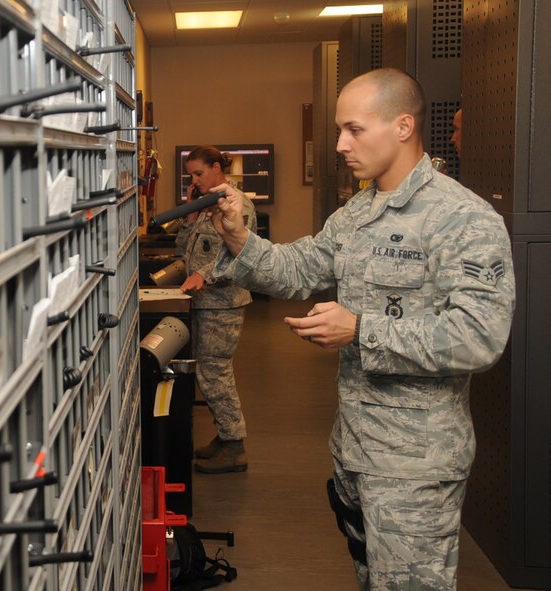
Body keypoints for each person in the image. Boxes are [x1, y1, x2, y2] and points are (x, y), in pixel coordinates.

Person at [206, 69, 515, 589]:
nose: (341, 145)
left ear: (402, 126)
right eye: (339, 130)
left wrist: (361, 330)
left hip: (414, 467)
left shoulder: (463, 218)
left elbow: (479, 335)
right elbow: (300, 269)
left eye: (354, 130)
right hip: (356, 450)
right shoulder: (358, 211)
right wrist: (241, 238)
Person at [175, 145, 257, 474]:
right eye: (191, 175)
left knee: (216, 375)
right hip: (203, 302)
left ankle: (235, 445)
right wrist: (189, 215)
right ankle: (225, 438)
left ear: (217, 169)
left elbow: (239, 256)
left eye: (199, 173)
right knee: (209, 375)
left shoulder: (238, 205)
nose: (194, 180)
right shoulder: (206, 205)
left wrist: (203, 274)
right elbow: (184, 248)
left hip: (223, 304)